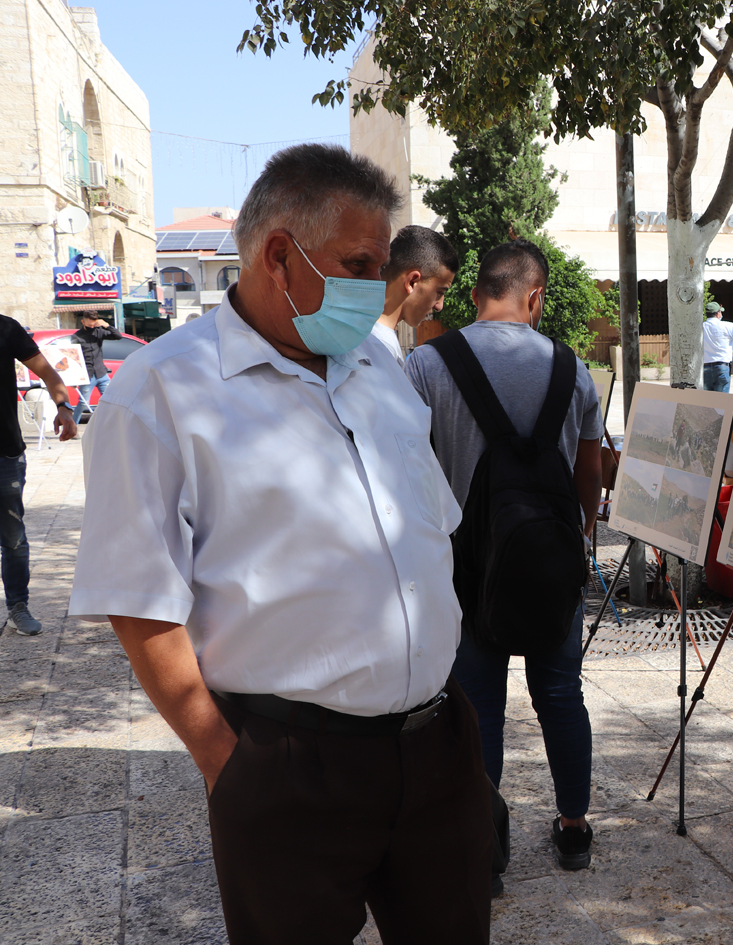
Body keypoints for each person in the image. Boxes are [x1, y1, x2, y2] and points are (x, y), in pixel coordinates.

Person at [67, 144, 493, 943]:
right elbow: (139, 601)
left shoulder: (375, 366)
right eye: (357, 264)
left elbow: (427, 529)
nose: (374, 286)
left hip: (437, 749)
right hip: (291, 769)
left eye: (380, 265)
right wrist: (227, 763)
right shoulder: (161, 392)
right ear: (277, 256)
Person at [404, 238, 603, 873]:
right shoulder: (575, 371)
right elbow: (589, 477)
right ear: (535, 297)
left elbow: (409, 469)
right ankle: (574, 829)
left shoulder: (426, 366)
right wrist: (578, 538)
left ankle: (484, 850)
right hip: (552, 562)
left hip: (465, 569)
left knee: (478, 705)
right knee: (560, 693)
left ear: (474, 294)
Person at [2, 317, 77, 635]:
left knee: (13, 538)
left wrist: (64, 407)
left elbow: (47, 372)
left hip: (5, 453)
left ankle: (18, 606)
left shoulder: (6, 329)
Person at [373, 224, 459, 361]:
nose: (439, 306)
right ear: (412, 282)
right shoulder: (376, 348)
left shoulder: (376, 341)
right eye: (439, 292)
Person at [71, 311, 123, 420]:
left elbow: (118, 336)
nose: (92, 327)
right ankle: (73, 426)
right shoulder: (76, 337)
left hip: (101, 373)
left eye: (93, 325)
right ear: (83, 322)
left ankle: (112, 425)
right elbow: (73, 358)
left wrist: (107, 325)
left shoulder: (99, 331)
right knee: (83, 403)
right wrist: (74, 378)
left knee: (111, 401)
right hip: (87, 376)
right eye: (89, 325)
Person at [702, 301, 733, 392]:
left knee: (707, 399)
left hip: (705, 367)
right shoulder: (727, 326)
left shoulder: (701, 327)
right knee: (722, 399)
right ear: (718, 314)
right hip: (722, 366)